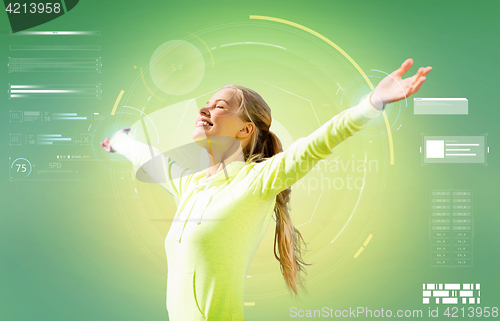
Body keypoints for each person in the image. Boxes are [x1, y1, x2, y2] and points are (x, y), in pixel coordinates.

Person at [101, 58, 432, 320]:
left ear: (246, 129)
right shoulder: (191, 186)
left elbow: (315, 145)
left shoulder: (257, 180)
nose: (204, 109)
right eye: (205, 103)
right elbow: (151, 159)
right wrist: (120, 141)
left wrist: (370, 104)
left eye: (218, 105)